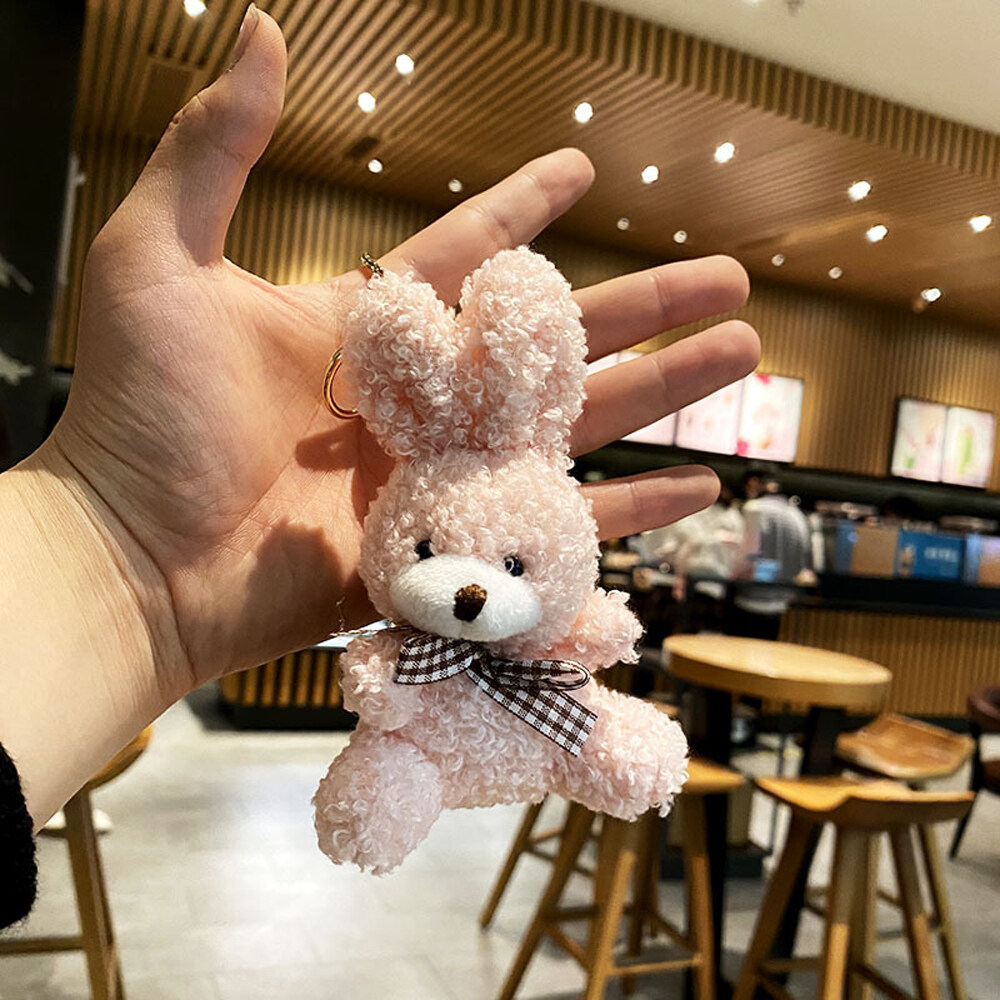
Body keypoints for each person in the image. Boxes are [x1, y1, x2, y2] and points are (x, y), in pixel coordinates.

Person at [0, 5, 759, 926]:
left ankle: (602, 753)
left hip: (555, 724)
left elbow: (593, 628)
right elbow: (374, 671)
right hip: (419, 746)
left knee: (618, 748)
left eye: (514, 565)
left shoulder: (546, 627)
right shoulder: (410, 639)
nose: (472, 588)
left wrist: (102, 540)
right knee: (386, 782)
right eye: (433, 551)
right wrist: (104, 521)